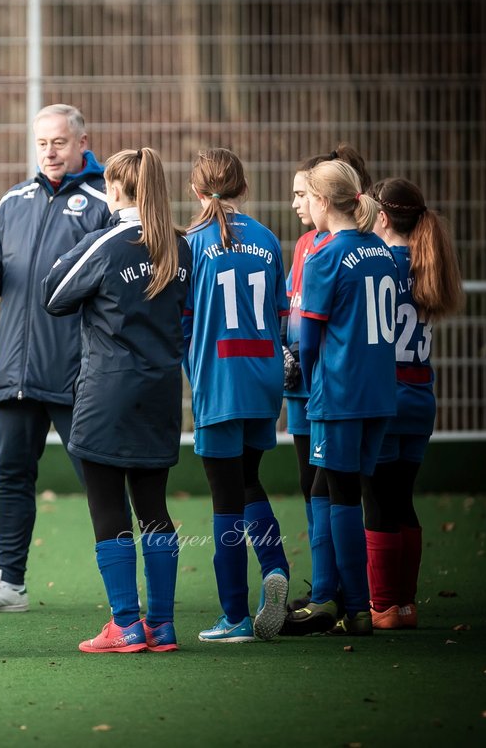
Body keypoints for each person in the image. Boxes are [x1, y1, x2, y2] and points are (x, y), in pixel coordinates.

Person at [0, 104, 110, 614]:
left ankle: (125, 592)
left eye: (60, 142)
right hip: (16, 373)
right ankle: (11, 583)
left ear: (83, 142)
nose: (50, 151)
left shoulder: (102, 203)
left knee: (100, 477)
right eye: (42, 142)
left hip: (77, 373)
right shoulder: (12, 202)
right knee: (10, 474)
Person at [42, 147, 191, 654]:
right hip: (162, 390)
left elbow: (54, 293)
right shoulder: (179, 244)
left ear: (115, 189)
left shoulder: (105, 242)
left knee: (108, 508)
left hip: (108, 391)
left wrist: (86, 240)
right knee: (153, 506)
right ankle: (163, 626)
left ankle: (126, 625)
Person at [283, 160, 398, 636]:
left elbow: (306, 338)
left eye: (306, 195)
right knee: (329, 489)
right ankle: (330, 596)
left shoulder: (326, 255)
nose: (301, 204)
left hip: (340, 392)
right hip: (379, 392)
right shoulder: (381, 249)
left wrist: (308, 378)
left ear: (325, 202)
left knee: (342, 494)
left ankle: (354, 608)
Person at [183, 149, 292, 643]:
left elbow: (181, 322)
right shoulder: (268, 240)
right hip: (264, 378)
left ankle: (234, 615)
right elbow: (278, 313)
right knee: (249, 481)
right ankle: (275, 564)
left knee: (225, 500)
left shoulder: (190, 245)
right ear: (243, 189)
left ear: (195, 190)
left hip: (219, 381)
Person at [365, 178, 463, 629]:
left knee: (378, 498)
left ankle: (382, 605)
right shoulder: (428, 264)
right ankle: (404, 604)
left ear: (382, 217)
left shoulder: (376, 264)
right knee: (402, 498)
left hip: (386, 400)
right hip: (421, 398)